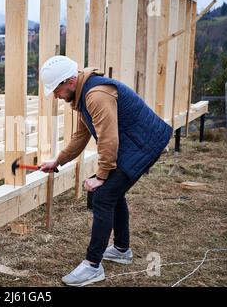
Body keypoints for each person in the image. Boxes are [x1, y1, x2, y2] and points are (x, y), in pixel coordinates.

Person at [39, 56, 173, 287]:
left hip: (143, 144)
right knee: (112, 193)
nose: (56, 96)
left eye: (57, 89)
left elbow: (108, 139)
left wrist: (101, 177)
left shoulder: (96, 95)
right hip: (133, 144)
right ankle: (121, 250)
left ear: (70, 81)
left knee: (103, 195)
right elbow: (81, 137)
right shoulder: (83, 95)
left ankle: (92, 265)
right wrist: (58, 161)